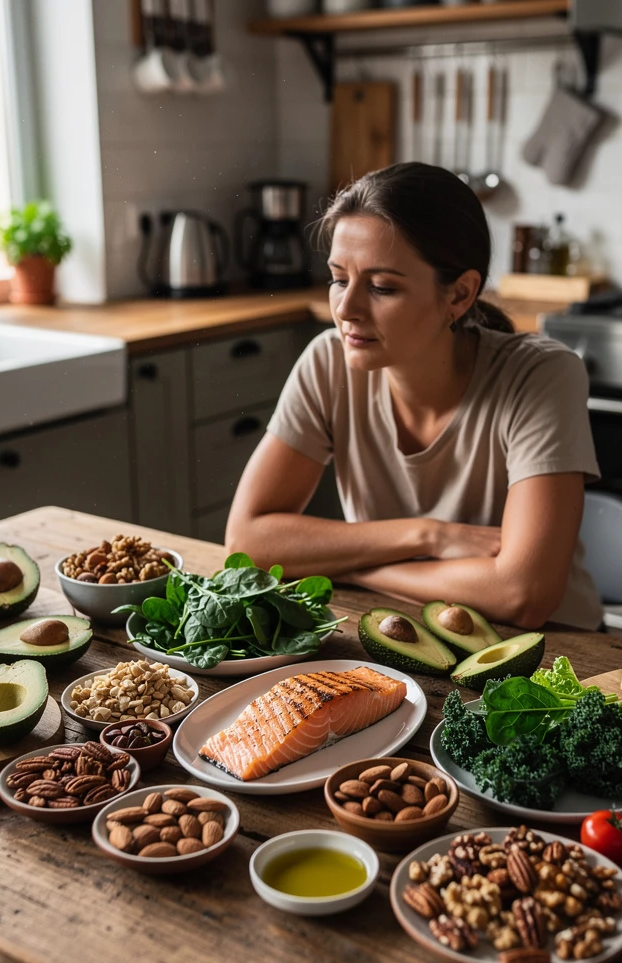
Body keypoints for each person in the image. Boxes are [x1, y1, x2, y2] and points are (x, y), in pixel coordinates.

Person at [225, 163, 602, 630]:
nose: (345, 309)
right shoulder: (327, 362)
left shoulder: (541, 374)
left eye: (382, 287)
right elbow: (247, 542)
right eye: (339, 278)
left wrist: (354, 566)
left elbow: (522, 594)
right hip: (401, 631)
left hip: (553, 651)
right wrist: (432, 536)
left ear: (459, 295)